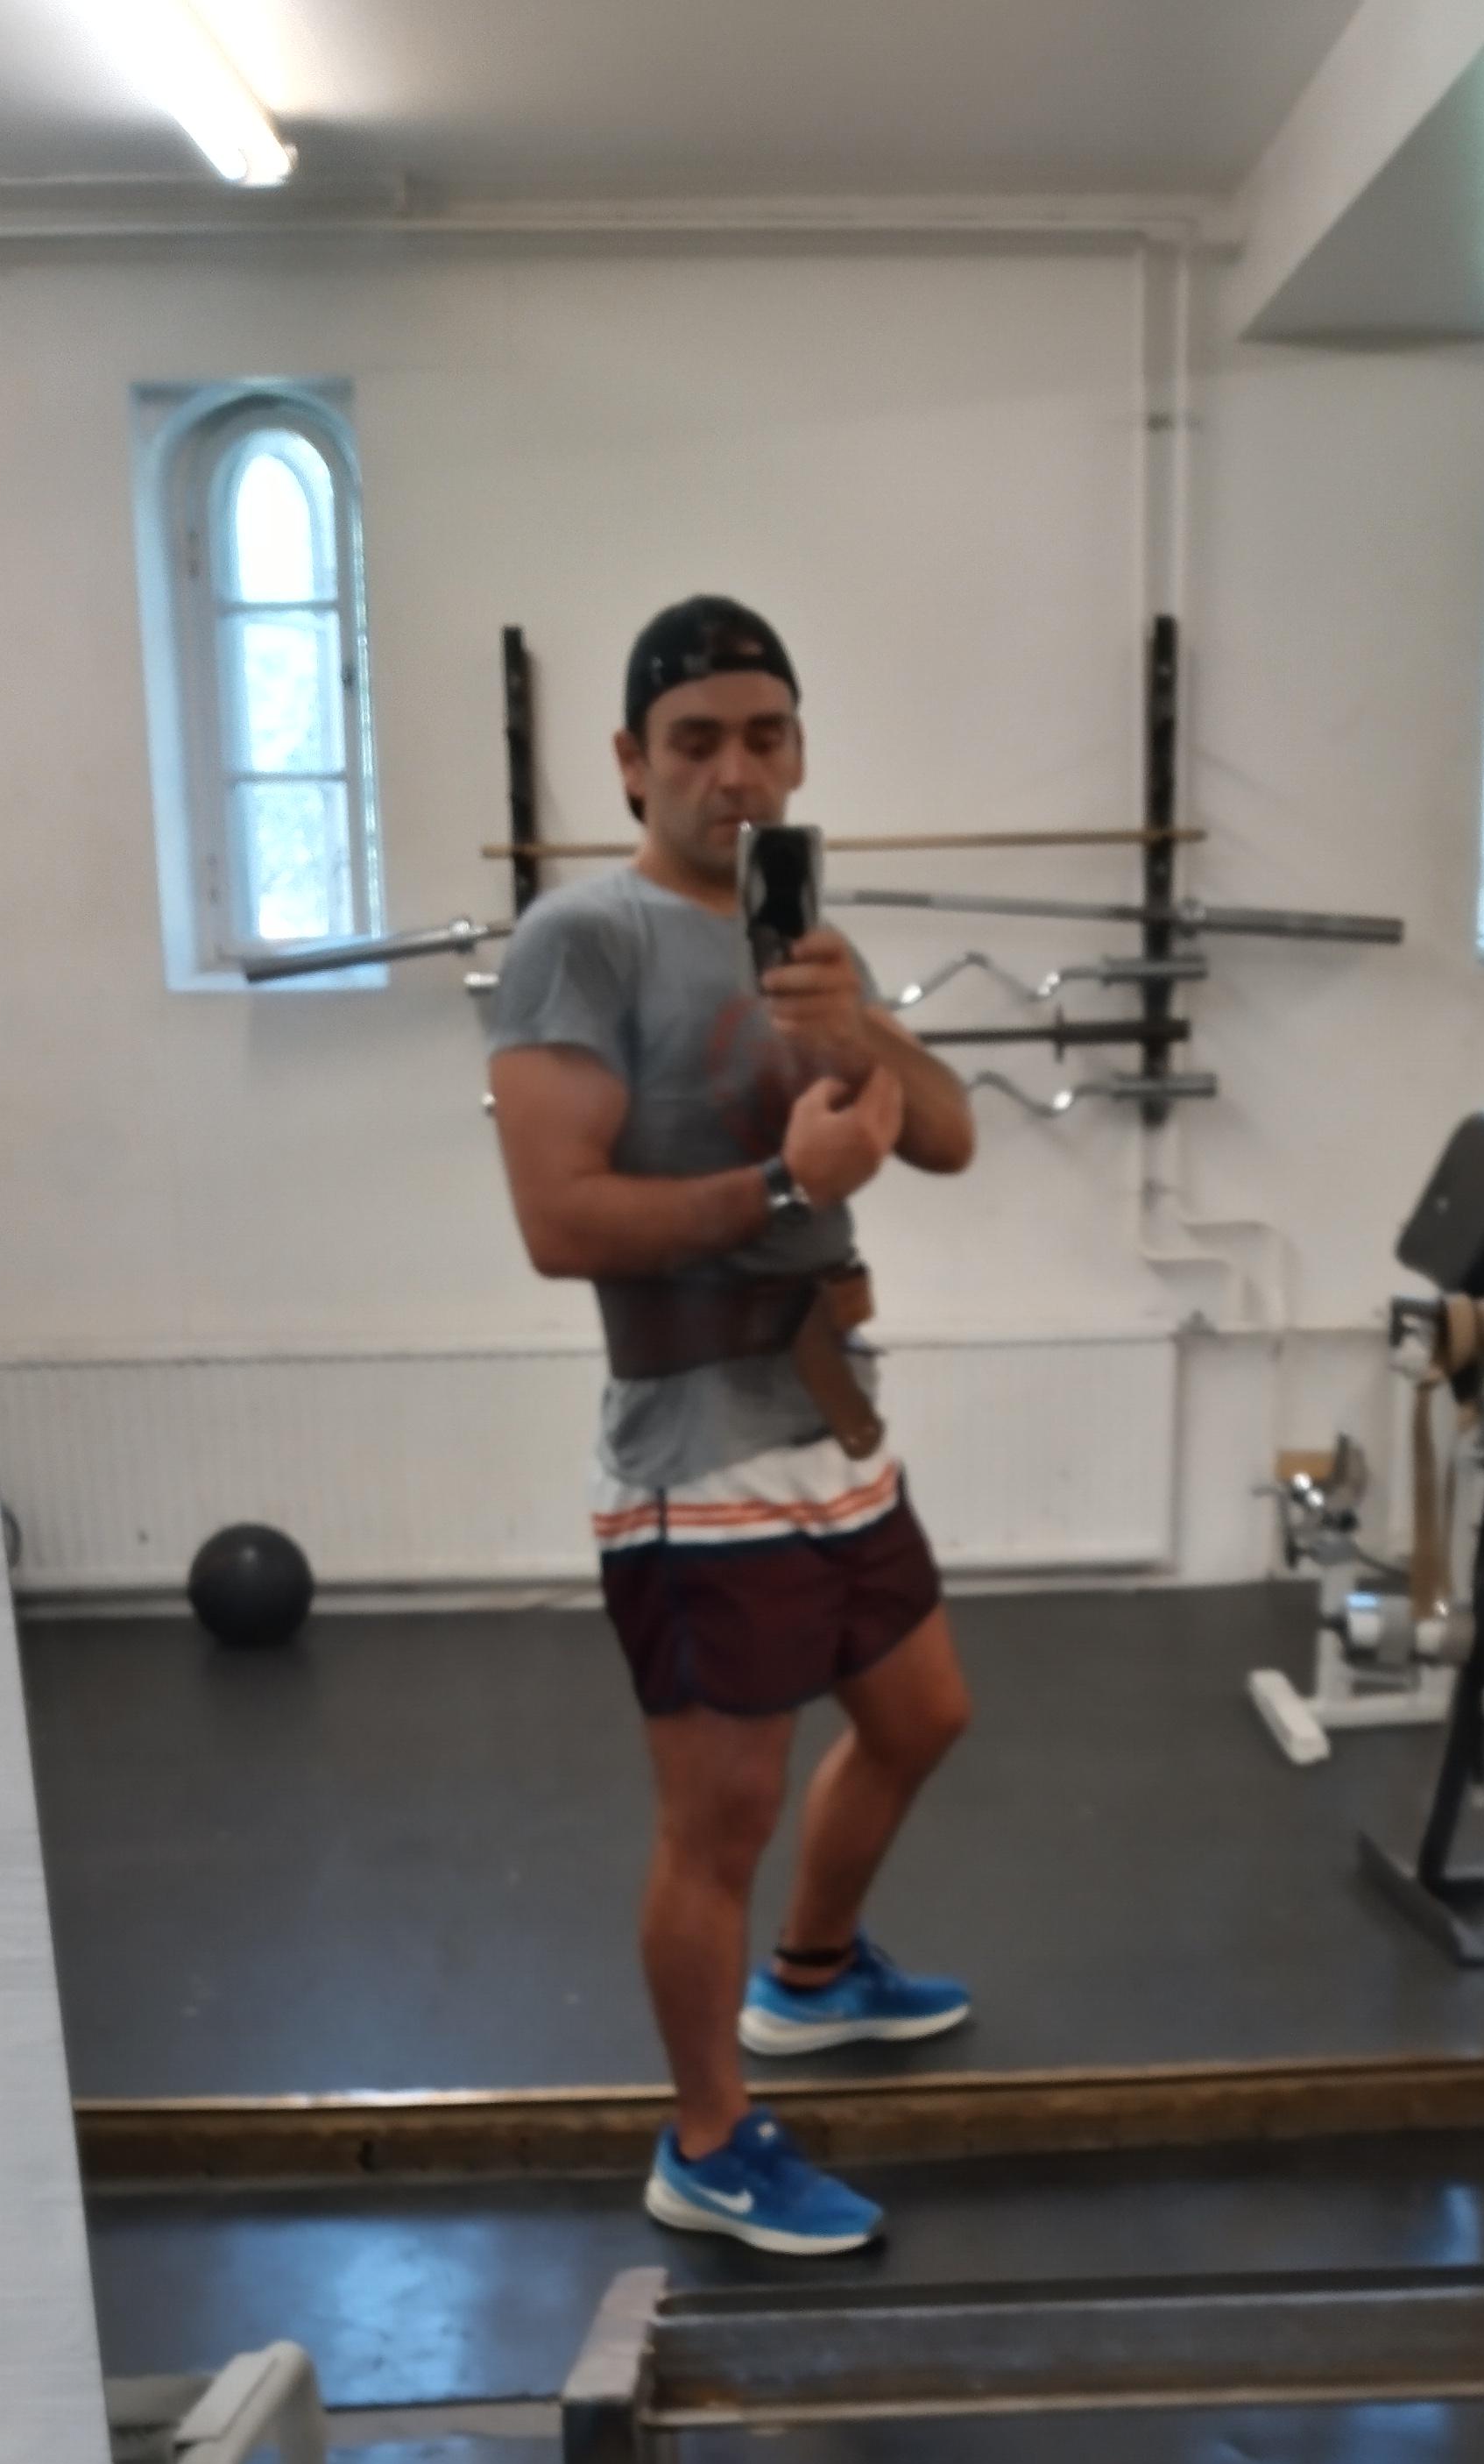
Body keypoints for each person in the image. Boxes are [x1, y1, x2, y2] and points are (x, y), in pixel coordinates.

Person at [485, 597, 979, 2254]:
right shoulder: (583, 941)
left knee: (922, 1715)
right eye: (694, 743)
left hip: (831, 1419)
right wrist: (781, 1182)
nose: (734, 773)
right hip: (697, 1452)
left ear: (800, 752)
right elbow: (558, 1221)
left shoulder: (804, 940)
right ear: (633, 764)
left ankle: (814, 1977)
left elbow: (952, 1138)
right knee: (719, 1823)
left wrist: (856, 1028)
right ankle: (704, 2144)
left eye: (764, 738)